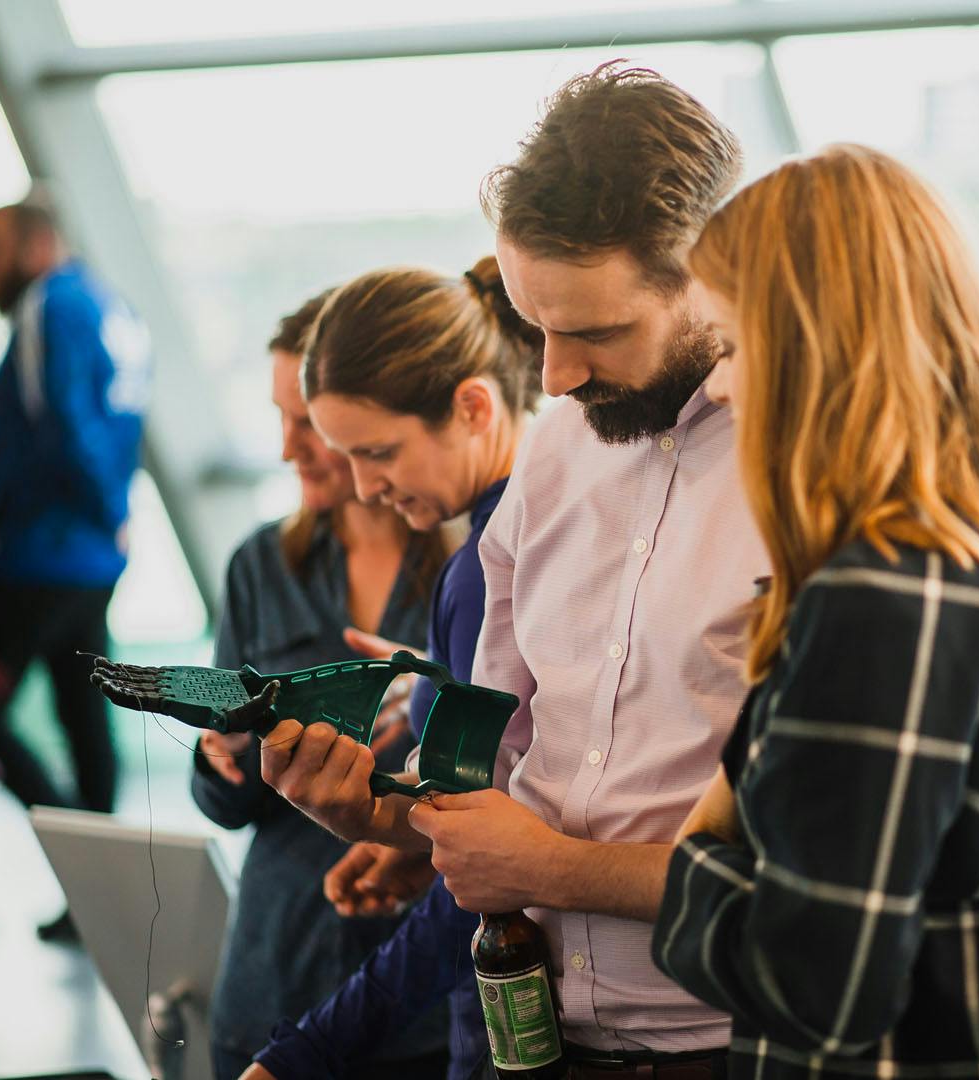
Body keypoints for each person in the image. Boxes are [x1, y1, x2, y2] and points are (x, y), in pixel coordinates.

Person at [251, 63, 767, 1078]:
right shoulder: (559, 454)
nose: (558, 377)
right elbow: (492, 759)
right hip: (528, 1038)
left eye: (593, 332)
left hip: (736, 1045)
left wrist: (554, 866)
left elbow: (827, 857)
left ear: (714, 275)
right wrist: (379, 812)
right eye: (538, 328)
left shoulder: (807, 477)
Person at [646, 144, 979, 1077]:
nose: (720, 386)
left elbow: (819, 987)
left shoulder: (883, 599)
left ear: (816, 348)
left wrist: (691, 874)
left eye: (731, 344)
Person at [245, 257, 545, 1080]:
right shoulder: (504, 549)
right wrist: (409, 842)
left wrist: (307, 1052)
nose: (367, 487)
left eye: (378, 453)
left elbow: (493, 868)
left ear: (474, 406)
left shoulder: (489, 569)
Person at [190, 292, 454, 1080]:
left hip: (422, 1001)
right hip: (272, 976)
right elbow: (223, 807)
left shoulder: (474, 572)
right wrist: (222, 756)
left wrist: (436, 698)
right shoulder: (259, 567)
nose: (287, 449)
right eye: (279, 419)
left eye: (306, 423)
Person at [0, 197, 148, 939]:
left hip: (44, 555)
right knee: (83, 713)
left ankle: (87, 866)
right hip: (88, 555)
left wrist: (99, 510)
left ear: (35, 246)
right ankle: (99, 886)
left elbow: (63, 425)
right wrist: (114, 516)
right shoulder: (112, 306)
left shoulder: (51, 308)